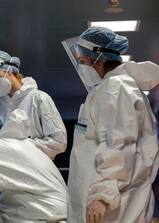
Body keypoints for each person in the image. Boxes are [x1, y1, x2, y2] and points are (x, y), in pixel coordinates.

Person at [62, 26, 159, 223]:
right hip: (113, 203)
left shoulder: (115, 89)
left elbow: (119, 143)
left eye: (83, 62)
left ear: (99, 58)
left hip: (115, 207)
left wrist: (102, 196)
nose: (82, 67)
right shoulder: (111, 88)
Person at [0, 50, 67, 160]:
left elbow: (59, 141)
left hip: (35, 169)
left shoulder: (38, 98)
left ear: (9, 70)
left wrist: (21, 148)